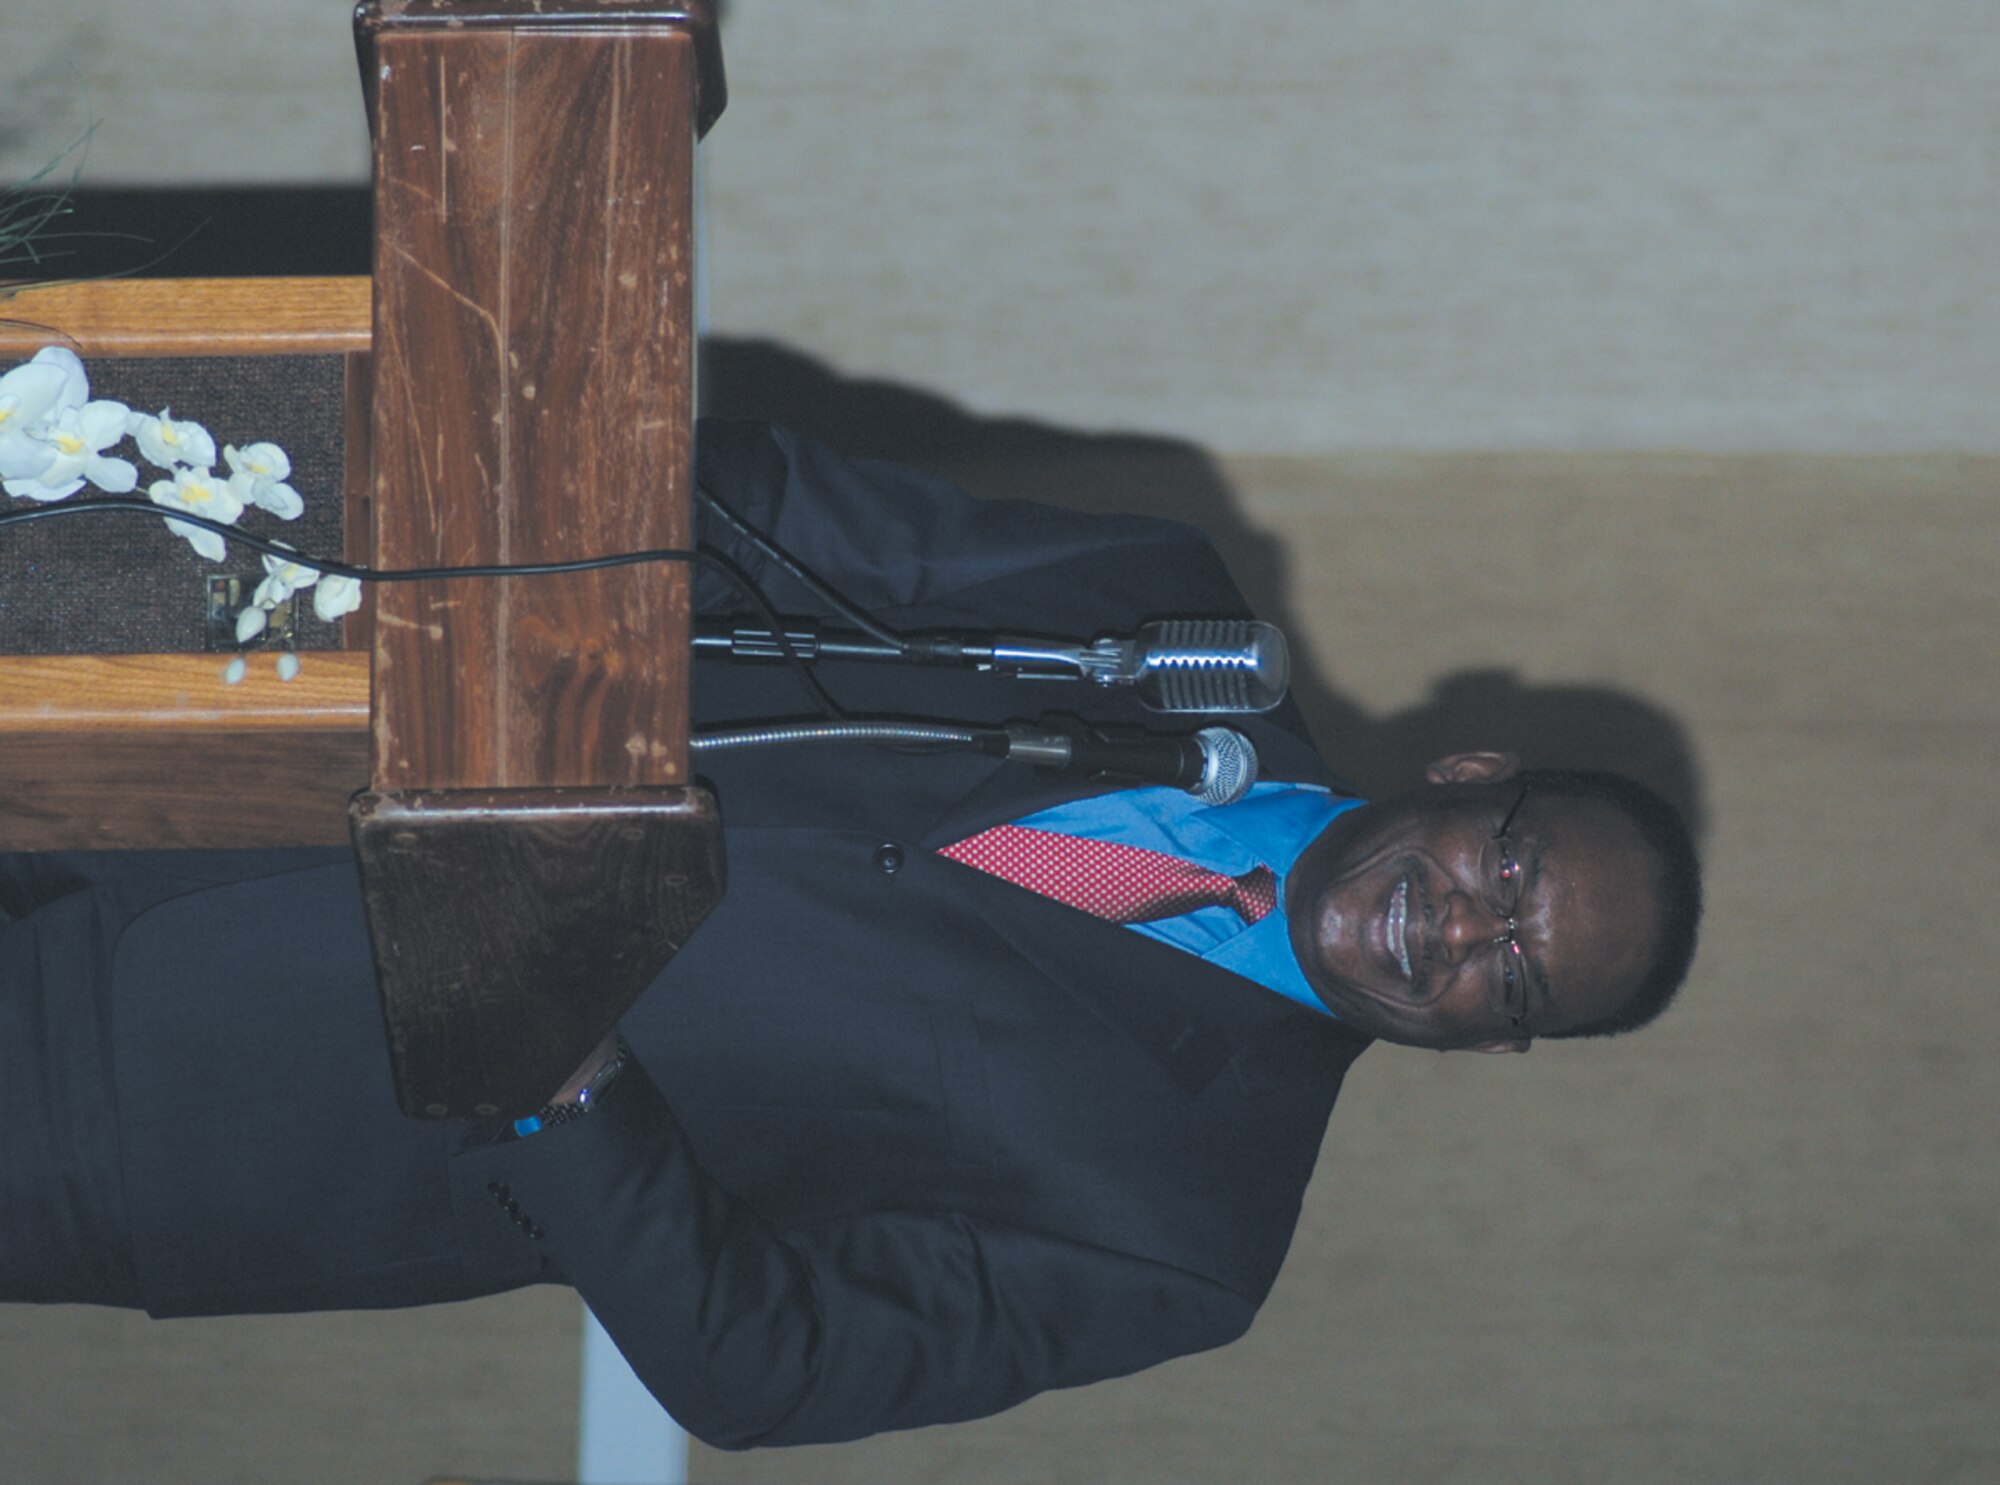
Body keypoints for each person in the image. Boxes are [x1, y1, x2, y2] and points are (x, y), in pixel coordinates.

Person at [0, 420, 1701, 1449]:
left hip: (192, 1108)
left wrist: (552, 1047)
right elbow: (763, 499)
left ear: (1494, 1040)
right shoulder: (1155, 617)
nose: (1472, 924)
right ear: (1473, 776)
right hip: (202, 706)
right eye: (1514, 863)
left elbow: (765, 1359)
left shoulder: (1188, 1227)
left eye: (1521, 967)